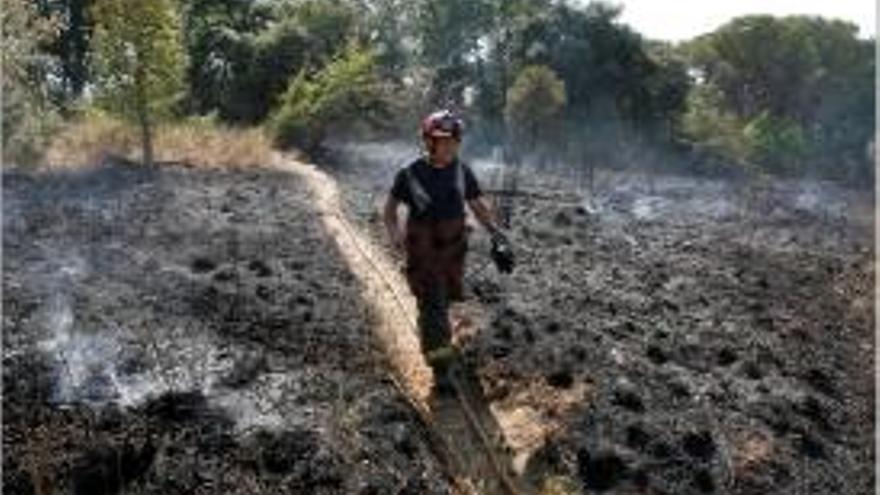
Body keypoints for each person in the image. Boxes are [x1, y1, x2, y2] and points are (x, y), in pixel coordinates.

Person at [383, 109, 510, 394]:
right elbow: (390, 210)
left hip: (453, 252)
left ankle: (436, 338)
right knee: (434, 307)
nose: (450, 146)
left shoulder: (461, 171)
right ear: (428, 141)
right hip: (423, 251)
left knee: (440, 304)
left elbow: (477, 205)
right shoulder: (410, 173)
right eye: (443, 140)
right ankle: (440, 370)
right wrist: (393, 234)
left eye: (454, 140)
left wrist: (497, 236)